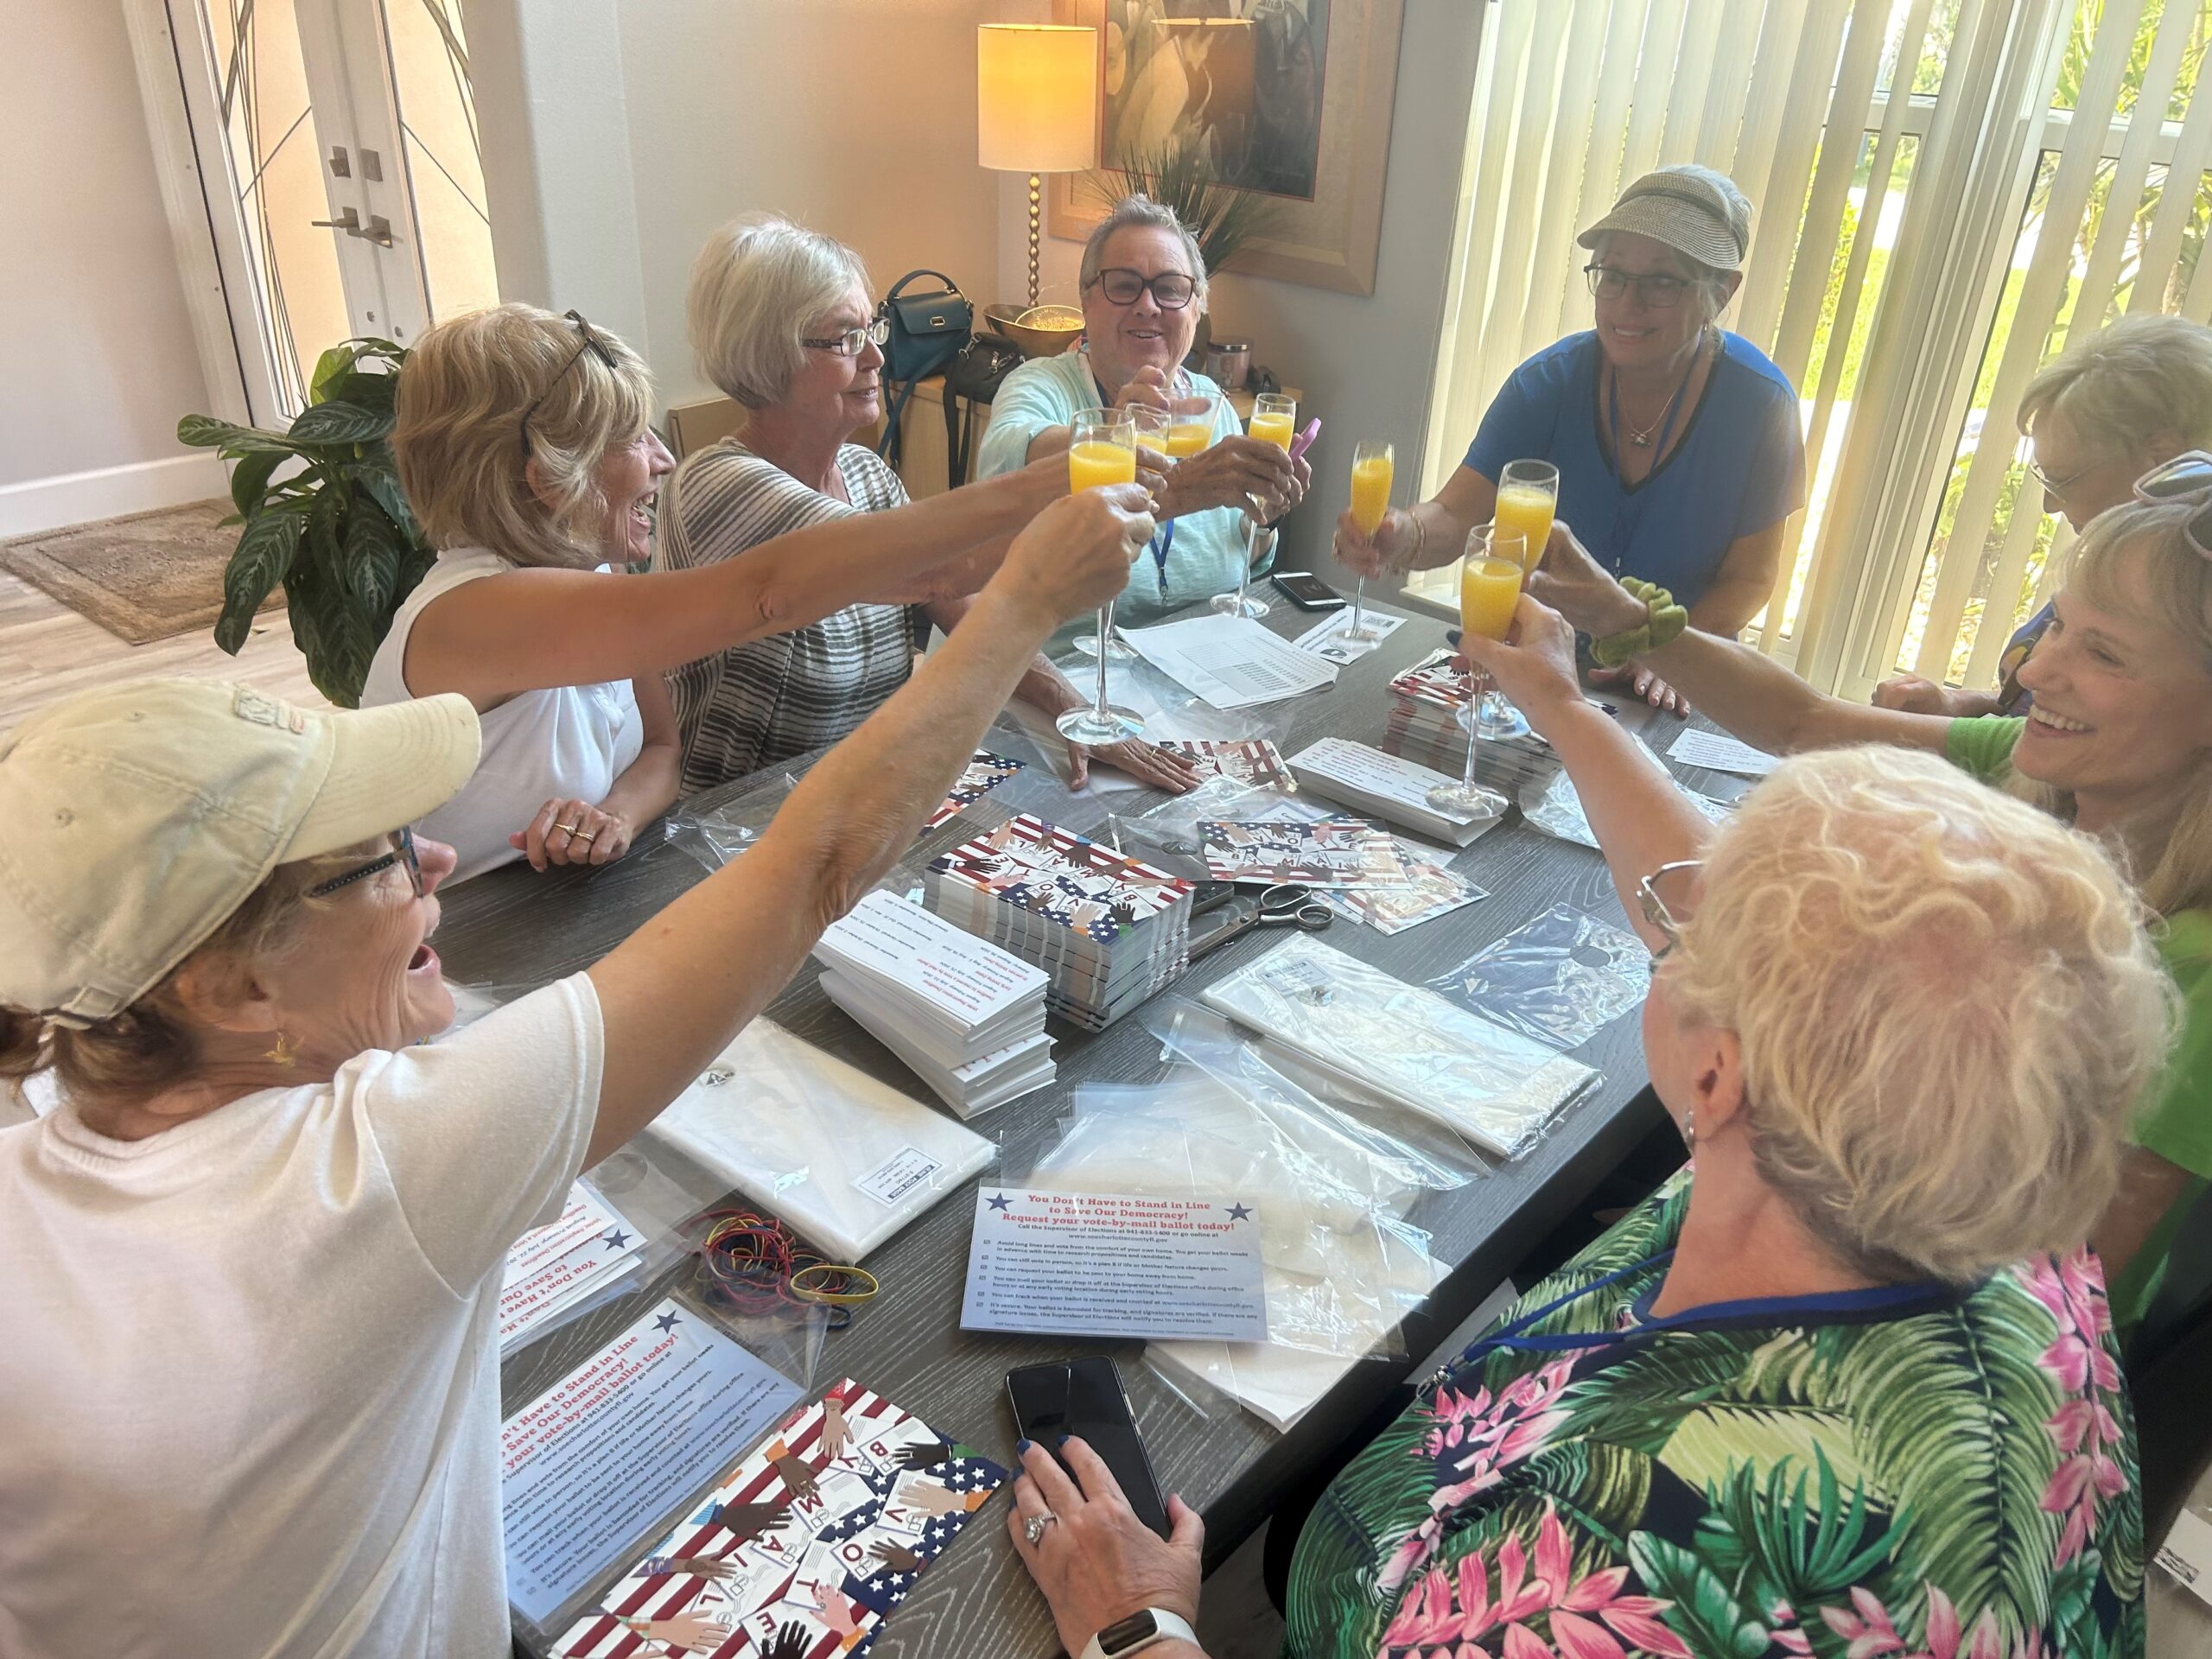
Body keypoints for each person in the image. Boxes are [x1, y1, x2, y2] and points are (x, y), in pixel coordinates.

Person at [0, 482, 1152, 1659]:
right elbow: (818, 862)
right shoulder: (361, 1180)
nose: (441, 854)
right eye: (382, 855)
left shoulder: (50, 1121)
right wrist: (1019, 607)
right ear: (233, 992)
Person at [1007, 701, 2170, 1659]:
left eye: (1687, 935)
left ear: (1719, 1080)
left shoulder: (1604, 1583)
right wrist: (1556, 694)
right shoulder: (1988, 1187)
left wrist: (1138, 1625)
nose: (1662, 928)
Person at [1523, 489, 2212, 1336]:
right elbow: (1804, 721)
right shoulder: (2039, 768)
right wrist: (1623, 616)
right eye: (2057, 626)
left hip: (1898, 1321)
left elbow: (2072, 1287)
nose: (2033, 673)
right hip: (1835, 1221)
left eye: (2102, 653)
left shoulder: (2199, 969)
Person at [365, 302, 1071, 880]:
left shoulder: (597, 576)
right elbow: (771, 592)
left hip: (575, 906)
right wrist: (1052, 487)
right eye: (629, 439)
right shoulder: (476, 615)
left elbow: (662, 753)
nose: (663, 457)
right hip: (463, 954)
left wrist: (614, 815)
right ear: (549, 474)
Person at [662, 214, 1197, 794]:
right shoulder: (718, 486)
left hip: (862, 798)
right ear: (769, 355)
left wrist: (1076, 714)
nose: (875, 361)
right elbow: (938, 571)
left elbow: (966, 606)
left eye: (873, 332)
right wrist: (1091, 471)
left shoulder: (867, 476)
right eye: (846, 339)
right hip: (730, 825)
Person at [1335, 164, 1806, 714]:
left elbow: (1752, 577)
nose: (1627, 302)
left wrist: (1672, 653)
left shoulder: (1761, 405)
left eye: (1661, 282)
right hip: (1537, 671)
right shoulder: (1546, 383)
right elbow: (1457, 516)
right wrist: (1403, 533)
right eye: (1612, 274)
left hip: (1664, 689)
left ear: (1721, 292)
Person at [976, 194, 1313, 628]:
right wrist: (1116, 434)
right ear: (1087, 300)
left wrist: (1267, 517)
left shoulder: (1214, 407)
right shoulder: (1040, 384)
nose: (1148, 305)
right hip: (1054, 672)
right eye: (1124, 285)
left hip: (1193, 670)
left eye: (1171, 288)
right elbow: (1008, 462)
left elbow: (1242, 563)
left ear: (1197, 307)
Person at [1877, 313, 2212, 716]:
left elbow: (2077, 747)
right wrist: (1959, 704)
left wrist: (1815, 717)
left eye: (2063, 481)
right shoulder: (2110, 570)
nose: (2050, 505)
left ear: (2162, 457)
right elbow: (2037, 712)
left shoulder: (2182, 598)